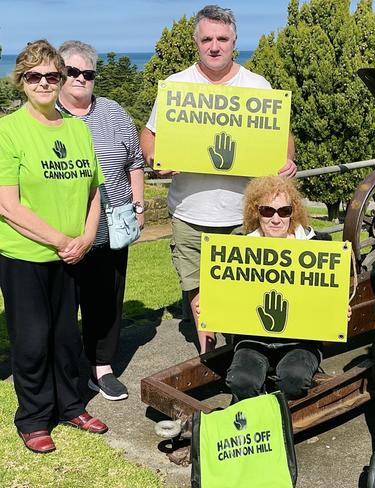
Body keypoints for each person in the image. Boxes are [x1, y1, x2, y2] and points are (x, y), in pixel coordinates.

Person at [140, 5, 297, 354]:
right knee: (198, 297)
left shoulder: (257, 85)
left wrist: (288, 161)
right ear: (196, 42)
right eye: (207, 39)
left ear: (234, 41)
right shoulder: (177, 86)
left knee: (244, 296)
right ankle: (208, 358)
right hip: (189, 213)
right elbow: (149, 135)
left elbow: (282, 137)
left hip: (243, 214)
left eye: (222, 39)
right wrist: (155, 158)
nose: (215, 46)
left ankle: (245, 357)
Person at [0, 40, 108, 454]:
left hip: (73, 254)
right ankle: (33, 417)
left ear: (62, 80)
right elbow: (7, 206)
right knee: (31, 339)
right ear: (22, 81)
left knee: (66, 336)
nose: (44, 83)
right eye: (34, 76)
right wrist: (62, 240)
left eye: (52, 76)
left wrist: (84, 237)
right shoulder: (9, 131)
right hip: (25, 256)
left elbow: (94, 191)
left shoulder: (78, 129)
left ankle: (70, 404)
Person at [57, 40, 146, 401]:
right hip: (64, 230)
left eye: (87, 73)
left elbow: (135, 162)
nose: (80, 78)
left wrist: (138, 206)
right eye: (71, 72)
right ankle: (61, 373)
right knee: (64, 306)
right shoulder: (49, 116)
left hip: (114, 225)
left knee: (106, 299)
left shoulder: (113, 113)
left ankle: (101, 368)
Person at [221, 176, 323, 401]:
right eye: (267, 211)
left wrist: (336, 310)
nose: (276, 219)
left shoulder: (318, 247)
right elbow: (227, 296)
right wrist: (212, 305)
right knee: (241, 382)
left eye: (283, 211)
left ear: (292, 212)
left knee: (294, 380)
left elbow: (328, 298)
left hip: (300, 341)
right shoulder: (238, 248)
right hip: (254, 340)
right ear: (256, 212)